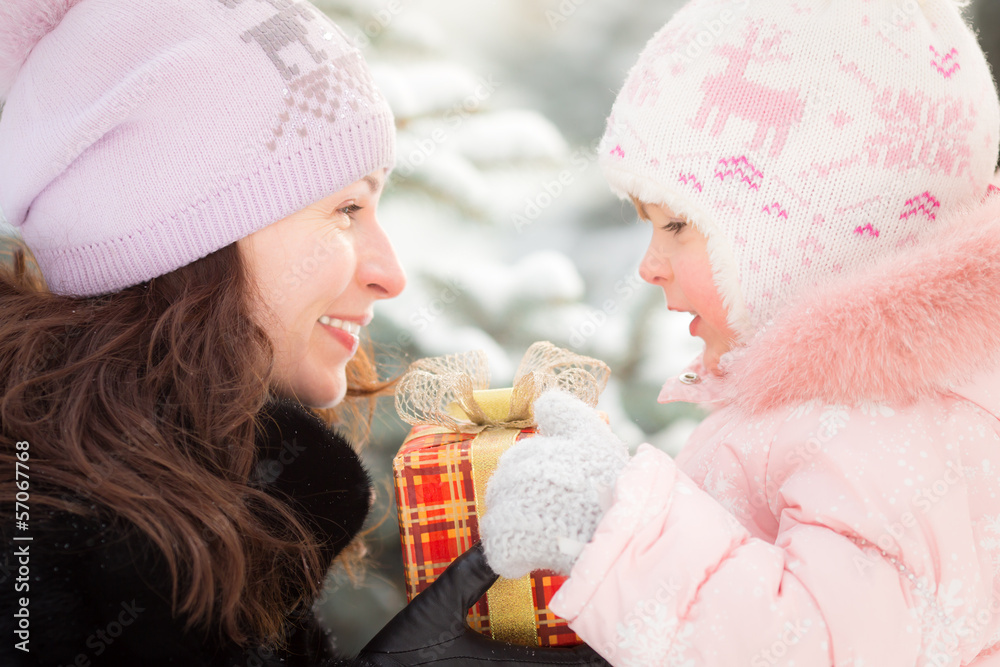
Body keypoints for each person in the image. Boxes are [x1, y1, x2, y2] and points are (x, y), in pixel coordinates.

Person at [0, 1, 609, 665]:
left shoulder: (196, 518)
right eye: (346, 208)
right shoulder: (38, 559)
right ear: (187, 236)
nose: (390, 274)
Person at [479, 0, 1000, 664]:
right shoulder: (834, 404)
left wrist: (614, 521)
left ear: (808, 238)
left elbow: (814, 647)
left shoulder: (910, 428)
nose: (649, 264)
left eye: (676, 225)